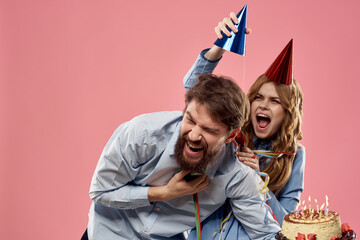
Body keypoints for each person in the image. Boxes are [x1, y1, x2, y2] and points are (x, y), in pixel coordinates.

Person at [85, 73, 281, 239]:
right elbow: (100, 192)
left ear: (230, 135)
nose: (194, 135)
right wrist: (163, 193)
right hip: (108, 232)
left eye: (209, 130)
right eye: (190, 120)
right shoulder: (142, 134)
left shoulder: (238, 177)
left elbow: (264, 233)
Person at [185, 12, 305, 240]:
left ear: (288, 113)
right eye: (258, 97)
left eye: (275, 101)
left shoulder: (294, 155)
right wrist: (218, 48)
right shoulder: (230, 134)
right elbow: (194, 92)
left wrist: (258, 181)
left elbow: (288, 226)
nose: (264, 106)